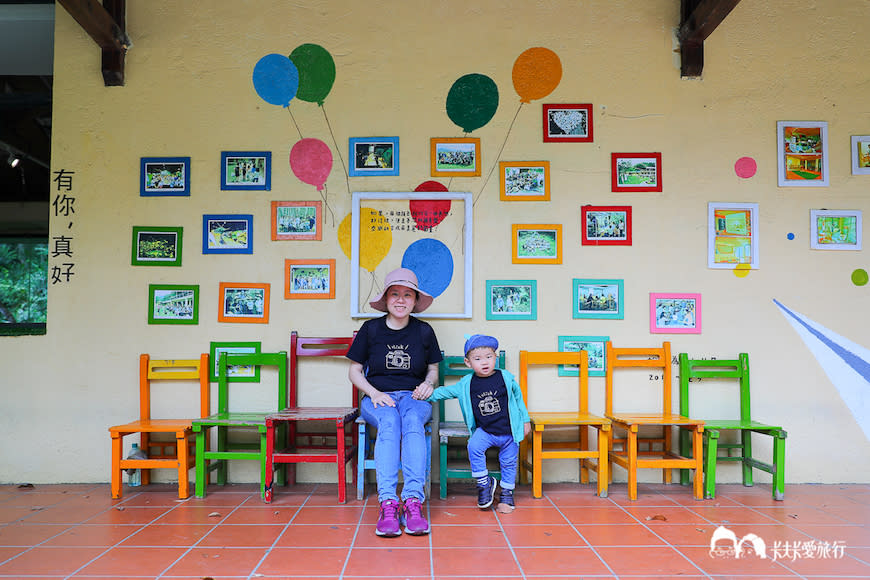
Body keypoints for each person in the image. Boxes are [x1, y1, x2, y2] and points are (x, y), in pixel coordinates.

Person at [347, 268, 442, 537]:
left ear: (415, 301)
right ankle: (388, 503)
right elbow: (354, 371)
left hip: (413, 397)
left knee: (412, 422)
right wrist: (374, 393)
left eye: (407, 295)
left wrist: (428, 383)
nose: (401, 300)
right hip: (378, 397)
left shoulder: (424, 332)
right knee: (389, 423)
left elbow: (433, 369)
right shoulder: (371, 329)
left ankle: (413, 502)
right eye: (395, 294)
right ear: (386, 298)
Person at [427, 334, 531, 512]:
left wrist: (525, 420)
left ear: (495, 358)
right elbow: (443, 392)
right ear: (468, 363)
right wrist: (424, 394)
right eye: (478, 359)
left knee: (509, 462)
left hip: (509, 432)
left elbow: (518, 400)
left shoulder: (506, 378)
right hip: (486, 431)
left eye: (489, 357)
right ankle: (484, 484)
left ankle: (506, 495)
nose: (484, 362)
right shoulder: (466, 384)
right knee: (474, 446)